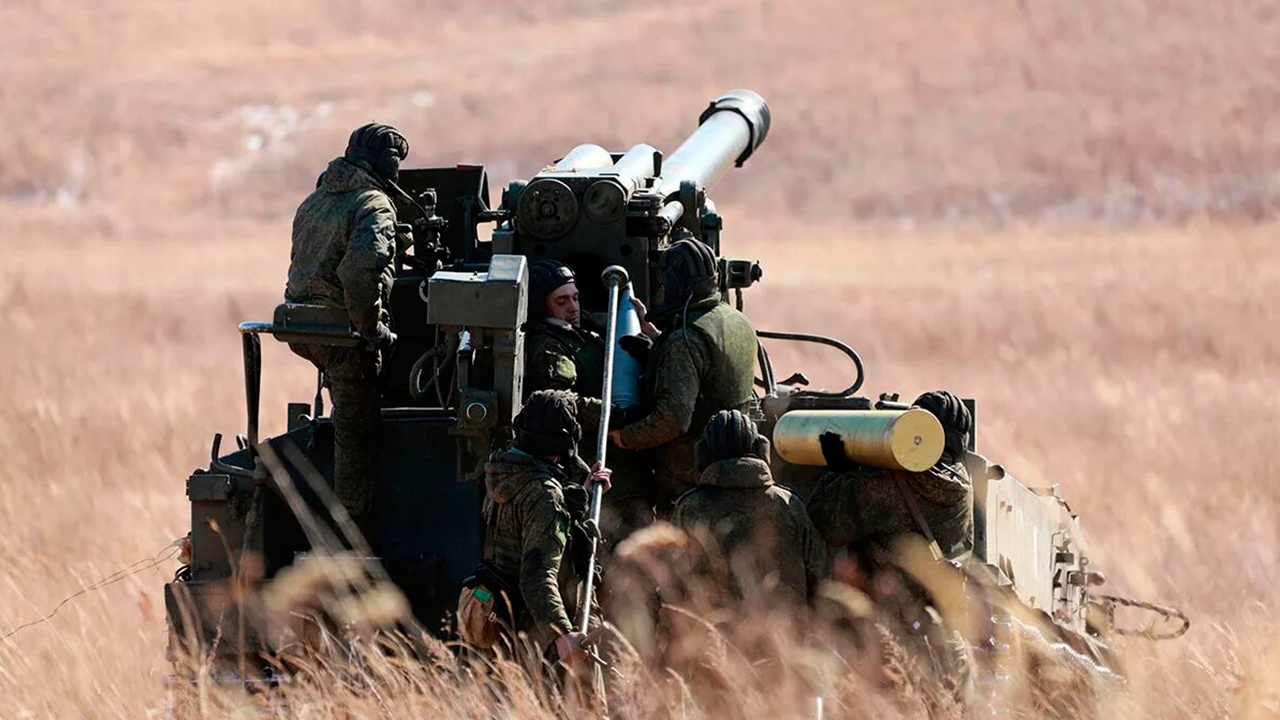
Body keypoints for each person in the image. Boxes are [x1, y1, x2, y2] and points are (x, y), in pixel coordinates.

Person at [285, 122, 409, 527]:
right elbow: (359, 273)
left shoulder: (316, 200)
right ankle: (352, 529)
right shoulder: (374, 204)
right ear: (387, 164)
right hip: (340, 331)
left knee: (344, 405)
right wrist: (371, 329)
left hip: (301, 324)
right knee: (357, 426)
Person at [609, 238, 758, 516]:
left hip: (691, 479)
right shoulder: (736, 320)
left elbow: (673, 420)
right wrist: (658, 341)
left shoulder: (685, 341)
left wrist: (626, 436)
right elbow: (711, 370)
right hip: (736, 460)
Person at [523, 259, 655, 541]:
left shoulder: (585, 331)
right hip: (590, 464)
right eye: (561, 301)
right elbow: (562, 404)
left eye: (575, 298)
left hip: (620, 464)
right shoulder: (547, 347)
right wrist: (614, 414)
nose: (573, 308)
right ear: (541, 307)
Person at [481, 390, 613, 666]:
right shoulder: (544, 495)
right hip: (544, 637)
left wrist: (581, 493)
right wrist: (562, 635)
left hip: (510, 622)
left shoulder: (504, 476)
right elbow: (536, 574)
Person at [672, 410, 827, 607]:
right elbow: (820, 575)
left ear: (702, 455)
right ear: (761, 450)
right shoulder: (788, 504)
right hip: (783, 625)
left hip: (711, 625)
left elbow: (671, 581)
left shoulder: (689, 508)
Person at [806, 390, 974, 568]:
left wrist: (839, 472)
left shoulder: (888, 481)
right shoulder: (964, 486)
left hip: (879, 586)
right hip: (938, 587)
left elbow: (821, 526)